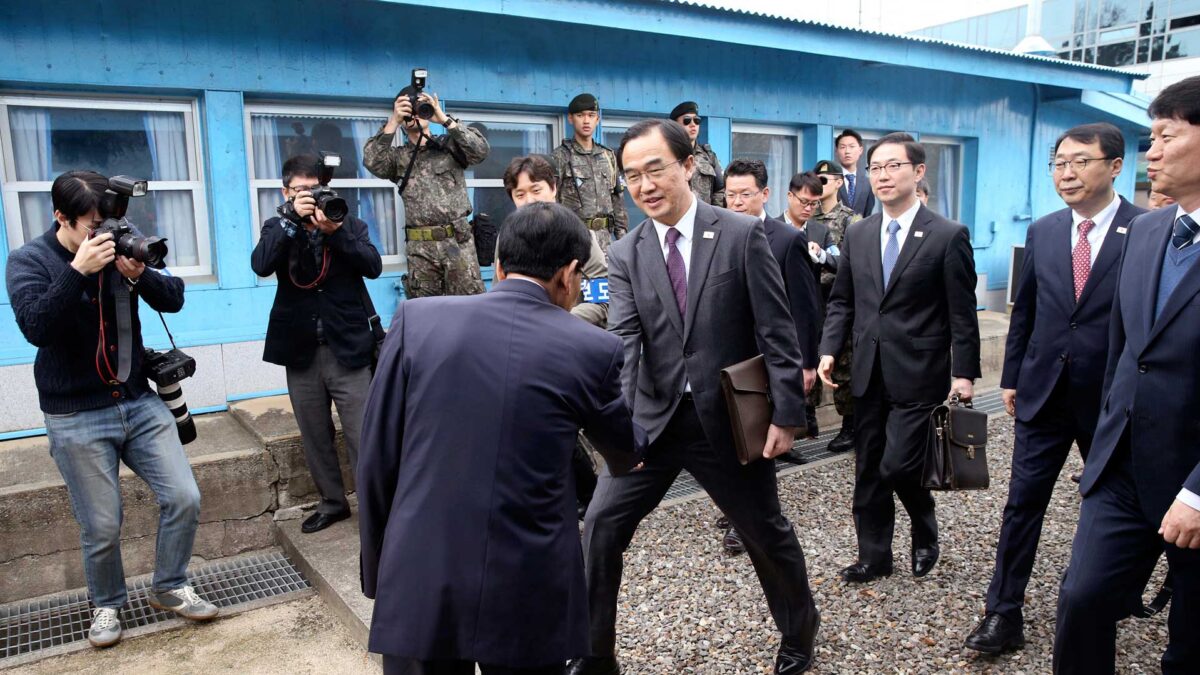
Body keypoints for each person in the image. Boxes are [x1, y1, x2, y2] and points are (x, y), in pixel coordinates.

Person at [571, 119, 820, 675]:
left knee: (764, 532)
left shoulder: (738, 233)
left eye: (655, 168)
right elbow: (626, 343)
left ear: (688, 166)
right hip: (652, 423)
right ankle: (593, 653)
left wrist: (786, 414)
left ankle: (799, 632)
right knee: (601, 529)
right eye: (631, 176)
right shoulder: (627, 251)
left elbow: (776, 331)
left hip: (729, 420)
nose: (644, 185)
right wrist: (621, 431)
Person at [357, 202, 644, 675]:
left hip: (421, 570)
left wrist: (379, 570)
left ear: (498, 265)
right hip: (528, 581)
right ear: (571, 274)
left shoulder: (417, 321)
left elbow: (376, 456)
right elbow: (623, 451)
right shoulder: (593, 348)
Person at [6, 171, 218, 648]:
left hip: (137, 399)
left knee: (184, 496)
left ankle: (170, 587)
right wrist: (78, 270)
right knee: (102, 523)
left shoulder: (120, 244)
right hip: (76, 412)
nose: (103, 233)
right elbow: (36, 326)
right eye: (91, 224)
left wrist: (139, 273)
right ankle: (107, 605)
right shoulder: (28, 260)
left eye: (110, 222)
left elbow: (176, 298)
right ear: (60, 217)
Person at [963, 123, 1145, 654]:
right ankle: (1003, 612)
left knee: (1116, 500)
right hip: (1045, 390)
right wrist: (1014, 376)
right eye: (1059, 162)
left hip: (1112, 398)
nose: (1066, 172)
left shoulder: (1148, 229)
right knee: (1022, 504)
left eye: (1080, 161)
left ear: (1115, 166)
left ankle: (1117, 588)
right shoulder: (1044, 231)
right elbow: (1027, 311)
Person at [1053, 75, 1200, 675]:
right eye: (1149, 137)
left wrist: (1198, 490)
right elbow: (1124, 350)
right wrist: (1106, 443)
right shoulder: (1147, 231)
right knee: (1082, 599)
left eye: (1166, 135)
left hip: (1193, 474)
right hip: (1123, 467)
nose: (1152, 152)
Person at [818, 132, 981, 585]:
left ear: (918, 171)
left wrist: (964, 372)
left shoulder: (947, 235)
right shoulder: (860, 232)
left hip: (920, 372)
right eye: (876, 168)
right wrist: (829, 349)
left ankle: (923, 523)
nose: (884, 175)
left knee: (898, 464)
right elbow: (843, 300)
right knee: (869, 468)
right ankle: (875, 556)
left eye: (894, 166)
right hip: (867, 370)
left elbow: (961, 312)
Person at [251, 154, 383, 534]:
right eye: (300, 191)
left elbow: (372, 267)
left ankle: (374, 510)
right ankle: (332, 503)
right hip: (301, 348)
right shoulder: (277, 226)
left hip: (349, 348)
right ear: (285, 192)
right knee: (315, 434)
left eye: (315, 190)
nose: (309, 198)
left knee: (363, 434)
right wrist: (291, 220)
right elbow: (260, 264)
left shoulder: (347, 222)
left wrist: (335, 232)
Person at [718, 158, 821, 555]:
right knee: (729, 439)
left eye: (746, 194)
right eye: (731, 194)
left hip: (769, 358)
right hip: (728, 356)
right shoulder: (718, 233)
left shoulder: (785, 239)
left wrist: (806, 362)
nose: (738, 202)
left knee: (759, 439)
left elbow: (804, 308)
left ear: (764, 194)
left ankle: (751, 522)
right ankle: (738, 508)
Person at [503, 154, 610, 518]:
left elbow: (602, 287)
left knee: (573, 420)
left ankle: (592, 493)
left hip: (571, 336)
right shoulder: (508, 235)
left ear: (554, 189)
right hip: (525, 344)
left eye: (537, 190)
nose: (530, 200)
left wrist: (565, 319)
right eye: (520, 194)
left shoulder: (577, 232)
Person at [362, 82, 488, 298]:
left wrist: (444, 119)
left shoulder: (449, 146)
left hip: (457, 244)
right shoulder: (398, 158)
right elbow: (373, 161)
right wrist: (393, 121)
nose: (415, 114)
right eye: (409, 109)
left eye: (419, 107)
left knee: (469, 308)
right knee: (426, 314)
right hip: (420, 250)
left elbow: (480, 150)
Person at [800, 162, 862, 454]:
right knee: (807, 357)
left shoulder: (851, 220)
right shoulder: (804, 215)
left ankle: (850, 425)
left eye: (824, 179)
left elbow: (857, 264)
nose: (819, 183)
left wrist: (824, 257)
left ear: (839, 182)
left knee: (843, 364)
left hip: (838, 300)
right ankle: (807, 418)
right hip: (810, 299)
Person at [553, 93, 628, 259]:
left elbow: (617, 200)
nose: (586, 121)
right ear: (570, 119)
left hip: (607, 244)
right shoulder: (561, 156)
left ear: (597, 119)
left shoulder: (608, 156)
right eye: (580, 116)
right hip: (575, 241)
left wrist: (623, 241)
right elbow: (553, 201)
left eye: (591, 115)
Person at [670, 101, 725, 207]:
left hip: (705, 220)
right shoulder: (667, 155)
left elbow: (721, 188)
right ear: (675, 126)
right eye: (687, 121)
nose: (693, 124)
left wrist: (714, 212)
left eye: (696, 120)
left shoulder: (708, 155)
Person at [836, 129, 876, 217]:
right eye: (842, 147)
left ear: (860, 150)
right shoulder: (830, 180)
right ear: (837, 151)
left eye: (851, 146)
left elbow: (867, 214)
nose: (847, 151)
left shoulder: (868, 183)